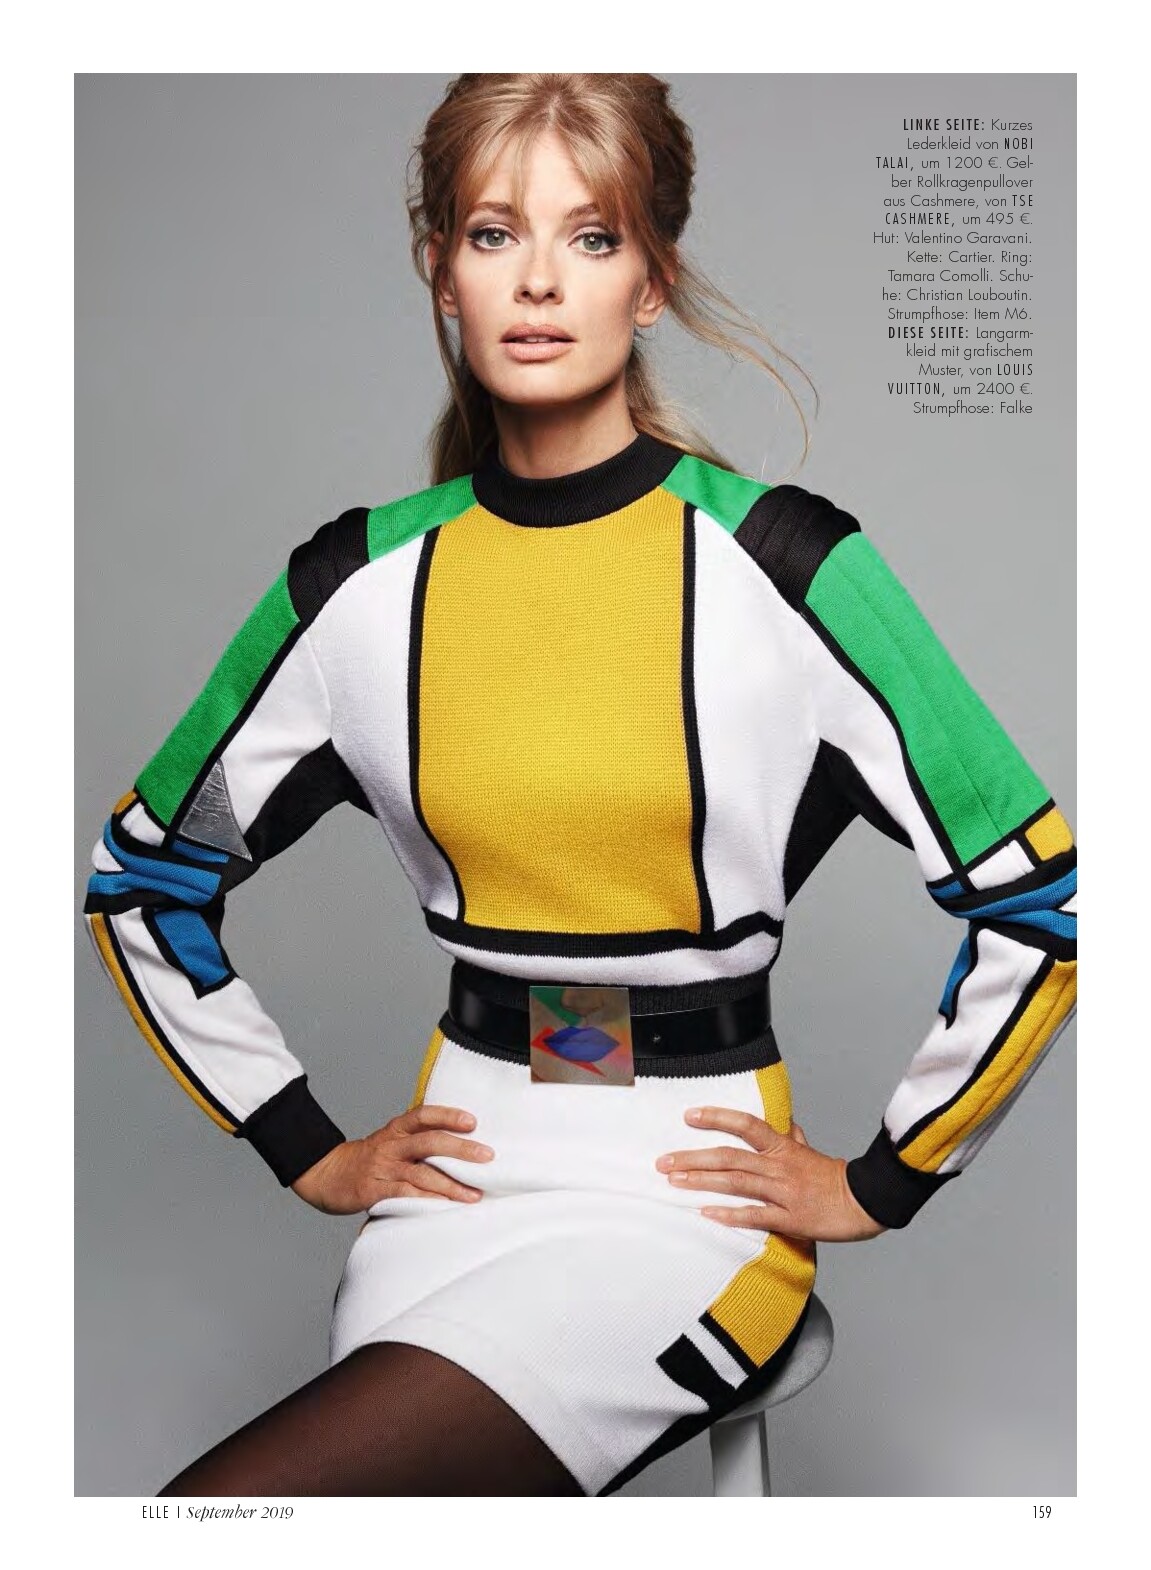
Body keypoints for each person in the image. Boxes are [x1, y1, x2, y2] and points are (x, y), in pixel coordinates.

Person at [83, 73, 1077, 1498]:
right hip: (457, 1180)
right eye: (495, 234)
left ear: (651, 282)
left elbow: (1040, 899)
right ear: (442, 271)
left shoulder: (787, 567)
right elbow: (146, 881)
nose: (540, 280)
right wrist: (304, 1143)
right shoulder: (355, 587)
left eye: (592, 236)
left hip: (687, 1199)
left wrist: (882, 1177)